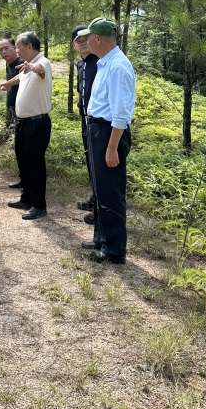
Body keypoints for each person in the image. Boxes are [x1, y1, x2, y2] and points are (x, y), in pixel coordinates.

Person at [76, 18, 136, 264]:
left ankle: (114, 249)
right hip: (97, 130)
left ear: (98, 39)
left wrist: (112, 148)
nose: (86, 42)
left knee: (110, 192)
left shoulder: (118, 67)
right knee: (100, 190)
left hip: (109, 133)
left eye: (88, 38)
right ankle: (101, 238)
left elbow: (121, 113)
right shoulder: (105, 63)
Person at [1, 31, 52, 220]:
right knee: (23, 162)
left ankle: (39, 205)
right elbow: (19, 78)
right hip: (23, 124)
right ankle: (26, 198)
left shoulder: (42, 62)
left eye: (19, 47)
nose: (17, 51)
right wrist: (8, 83)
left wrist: (32, 67)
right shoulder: (25, 66)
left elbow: (39, 68)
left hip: (37, 124)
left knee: (35, 165)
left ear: (29, 46)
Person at [72, 24, 99, 229]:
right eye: (78, 41)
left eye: (85, 40)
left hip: (98, 120)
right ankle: (95, 197)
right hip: (85, 119)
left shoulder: (99, 61)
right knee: (90, 159)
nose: (82, 44)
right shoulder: (80, 64)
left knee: (98, 163)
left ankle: (100, 206)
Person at [0, 36, 23, 189]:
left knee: (22, 148)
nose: (3, 52)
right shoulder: (9, 65)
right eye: (0, 50)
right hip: (13, 111)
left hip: (23, 113)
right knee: (18, 148)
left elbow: (23, 78)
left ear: (15, 48)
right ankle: (22, 178)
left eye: (6, 48)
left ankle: (25, 180)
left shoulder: (20, 64)